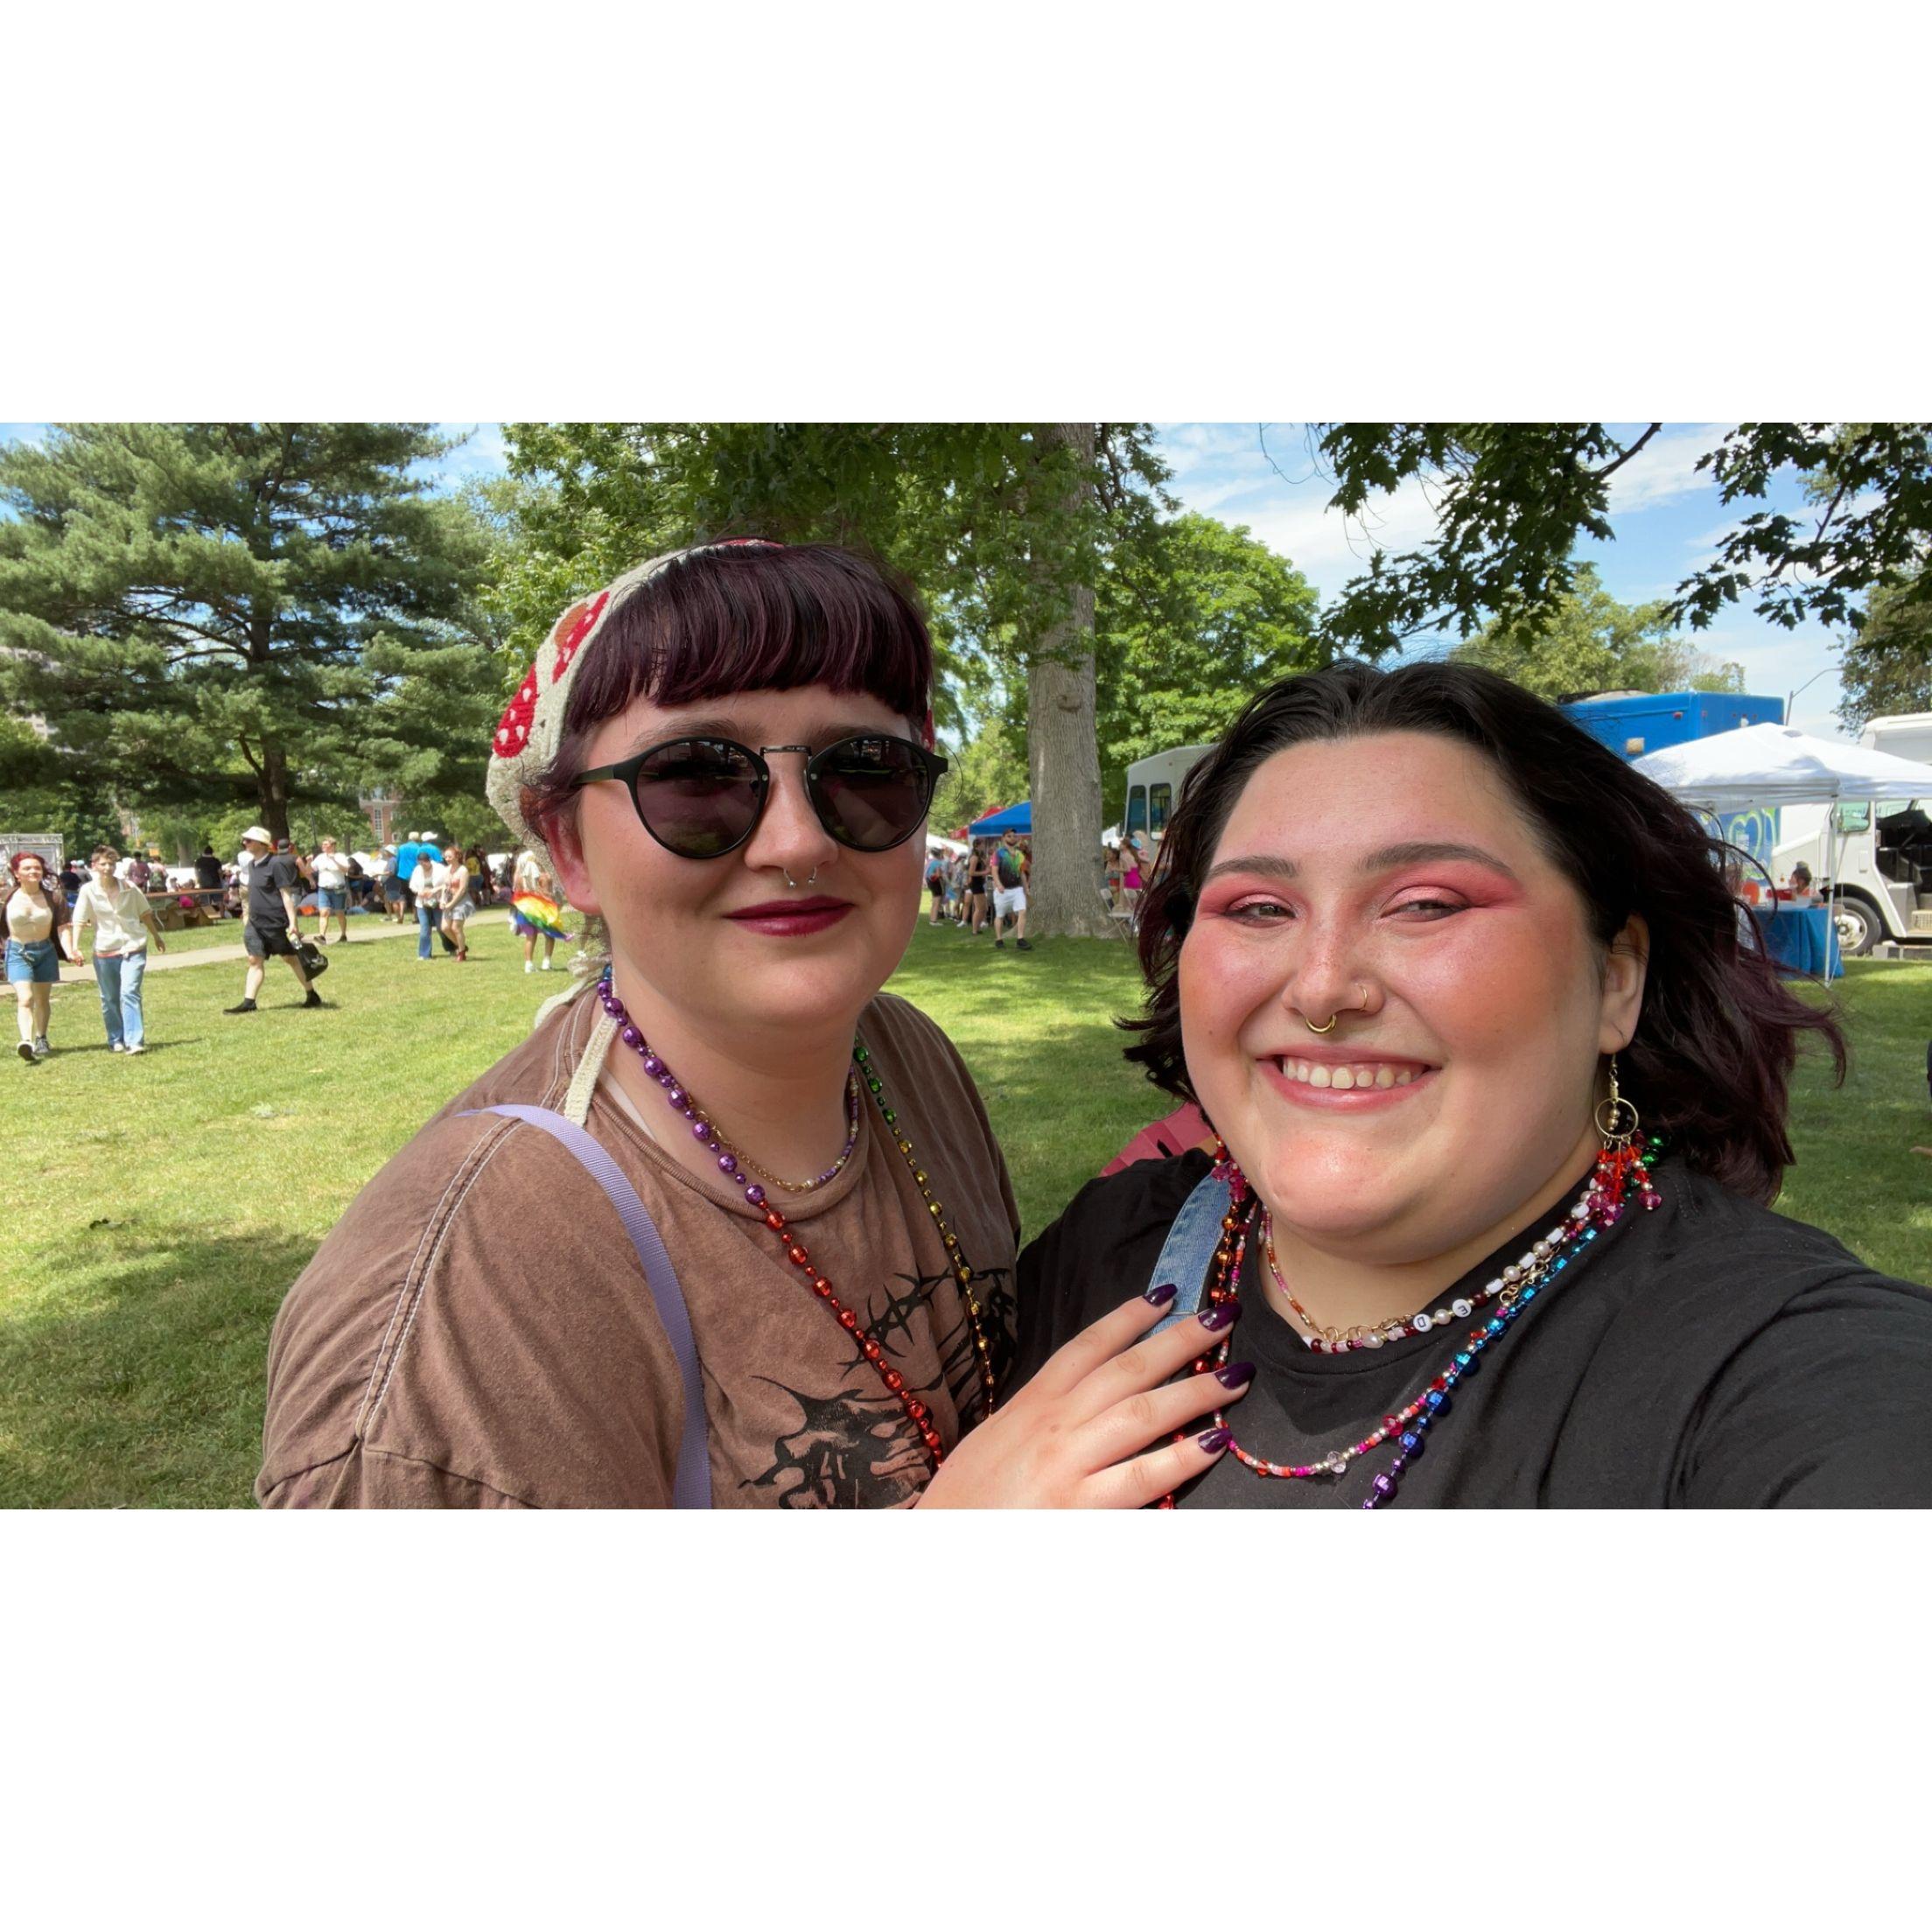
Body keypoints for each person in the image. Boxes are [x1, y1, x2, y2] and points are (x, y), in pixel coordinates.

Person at [257, 539, 1228, 1508]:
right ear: (568, 847)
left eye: (866, 771)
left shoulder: (905, 1056)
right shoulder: (460, 1311)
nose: (799, 839)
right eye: (698, 778)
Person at [1006, 660, 1932, 1508]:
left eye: (1426, 905)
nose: (1323, 985)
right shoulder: (1106, 1258)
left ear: (1615, 978)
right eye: (1258, 909)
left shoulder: (1782, 1368)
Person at [69, 845, 167, 1054]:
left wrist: (156, 936)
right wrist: (75, 947)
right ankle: (116, 1037)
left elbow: (145, 913)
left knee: (129, 992)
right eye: (103, 864)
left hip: (133, 946)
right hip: (105, 950)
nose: (107, 868)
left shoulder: (130, 887)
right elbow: (78, 919)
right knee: (110, 997)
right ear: (94, 866)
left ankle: (135, 1041)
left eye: (111, 864)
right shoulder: (88, 891)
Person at [225, 827, 322, 1015]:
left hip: (275, 921)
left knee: (290, 958)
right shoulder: (252, 865)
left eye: (249, 840)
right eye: (244, 840)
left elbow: (286, 895)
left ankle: (312, 994)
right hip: (255, 921)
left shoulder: (275, 864)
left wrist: (293, 923)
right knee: (254, 959)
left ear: (262, 844)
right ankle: (249, 1002)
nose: (244, 843)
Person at [6, 850, 74, 1062]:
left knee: (42, 999)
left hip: (46, 951)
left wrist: (71, 951)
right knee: (25, 998)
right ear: (17, 873)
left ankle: (41, 1037)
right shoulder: (5, 898)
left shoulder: (53, 897)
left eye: (37, 867)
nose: (33, 871)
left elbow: (63, 928)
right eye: (27, 868)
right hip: (18, 951)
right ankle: (26, 1041)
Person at [512, 846, 560, 973]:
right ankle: (546, 962)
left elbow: (519, 888)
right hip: (543, 908)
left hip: (528, 906)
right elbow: (545, 893)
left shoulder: (523, 876)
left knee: (530, 936)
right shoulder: (543, 875)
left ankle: (528, 964)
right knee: (549, 935)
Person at [991, 830, 1032, 950]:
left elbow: (1022, 873)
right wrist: (998, 885)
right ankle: (999, 940)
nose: (1012, 838)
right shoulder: (998, 853)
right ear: (1003, 838)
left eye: (1014, 836)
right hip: (1002, 890)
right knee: (1000, 915)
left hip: (1017, 889)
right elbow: (994, 870)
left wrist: (1026, 889)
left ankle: (1020, 939)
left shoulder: (1020, 855)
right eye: (1009, 836)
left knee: (1023, 911)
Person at [310, 836, 351, 943]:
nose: (323, 846)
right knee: (323, 912)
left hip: (338, 889)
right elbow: (309, 870)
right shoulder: (320, 858)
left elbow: (346, 869)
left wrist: (334, 860)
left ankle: (343, 935)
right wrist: (308, 861)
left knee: (339, 913)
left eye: (326, 844)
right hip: (324, 889)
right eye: (323, 844)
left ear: (333, 846)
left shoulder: (340, 856)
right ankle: (322, 936)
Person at [409, 846, 445, 961]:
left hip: (437, 901)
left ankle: (452, 947)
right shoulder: (417, 870)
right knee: (425, 928)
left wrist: (434, 891)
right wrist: (419, 892)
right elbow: (412, 885)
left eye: (425, 862)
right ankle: (424, 954)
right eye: (421, 863)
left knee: (441, 927)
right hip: (422, 903)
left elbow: (446, 884)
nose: (423, 865)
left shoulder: (439, 869)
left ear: (429, 861)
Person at [438, 845, 474, 962]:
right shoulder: (446, 870)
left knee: (456, 928)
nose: (447, 859)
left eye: (450, 856)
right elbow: (445, 887)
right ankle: (462, 946)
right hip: (448, 900)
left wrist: (451, 904)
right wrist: (443, 900)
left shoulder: (463, 870)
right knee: (444, 928)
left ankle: (462, 953)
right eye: (446, 857)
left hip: (461, 902)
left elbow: (462, 890)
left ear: (457, 856)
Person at [964, 838, 990, 934]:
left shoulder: (980, 857)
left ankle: (977, 927)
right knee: (979, 908)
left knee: (984, 908)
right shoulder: (974, 857)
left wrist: (986, 866)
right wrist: (985, 872)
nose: (984, 846)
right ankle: (974, 930)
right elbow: (971, 872)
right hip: (975, 884)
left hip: (980, 883)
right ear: (978, 845)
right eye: (983, 844)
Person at [925, 846, 948, 926]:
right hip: (936, 882)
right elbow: (938, 874)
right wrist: (942, 874)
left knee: (934, 901)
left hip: (930, 882)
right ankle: (934, 921)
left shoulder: (930, 861)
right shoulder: (938, 862)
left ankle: (932, 918)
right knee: (937, 902)